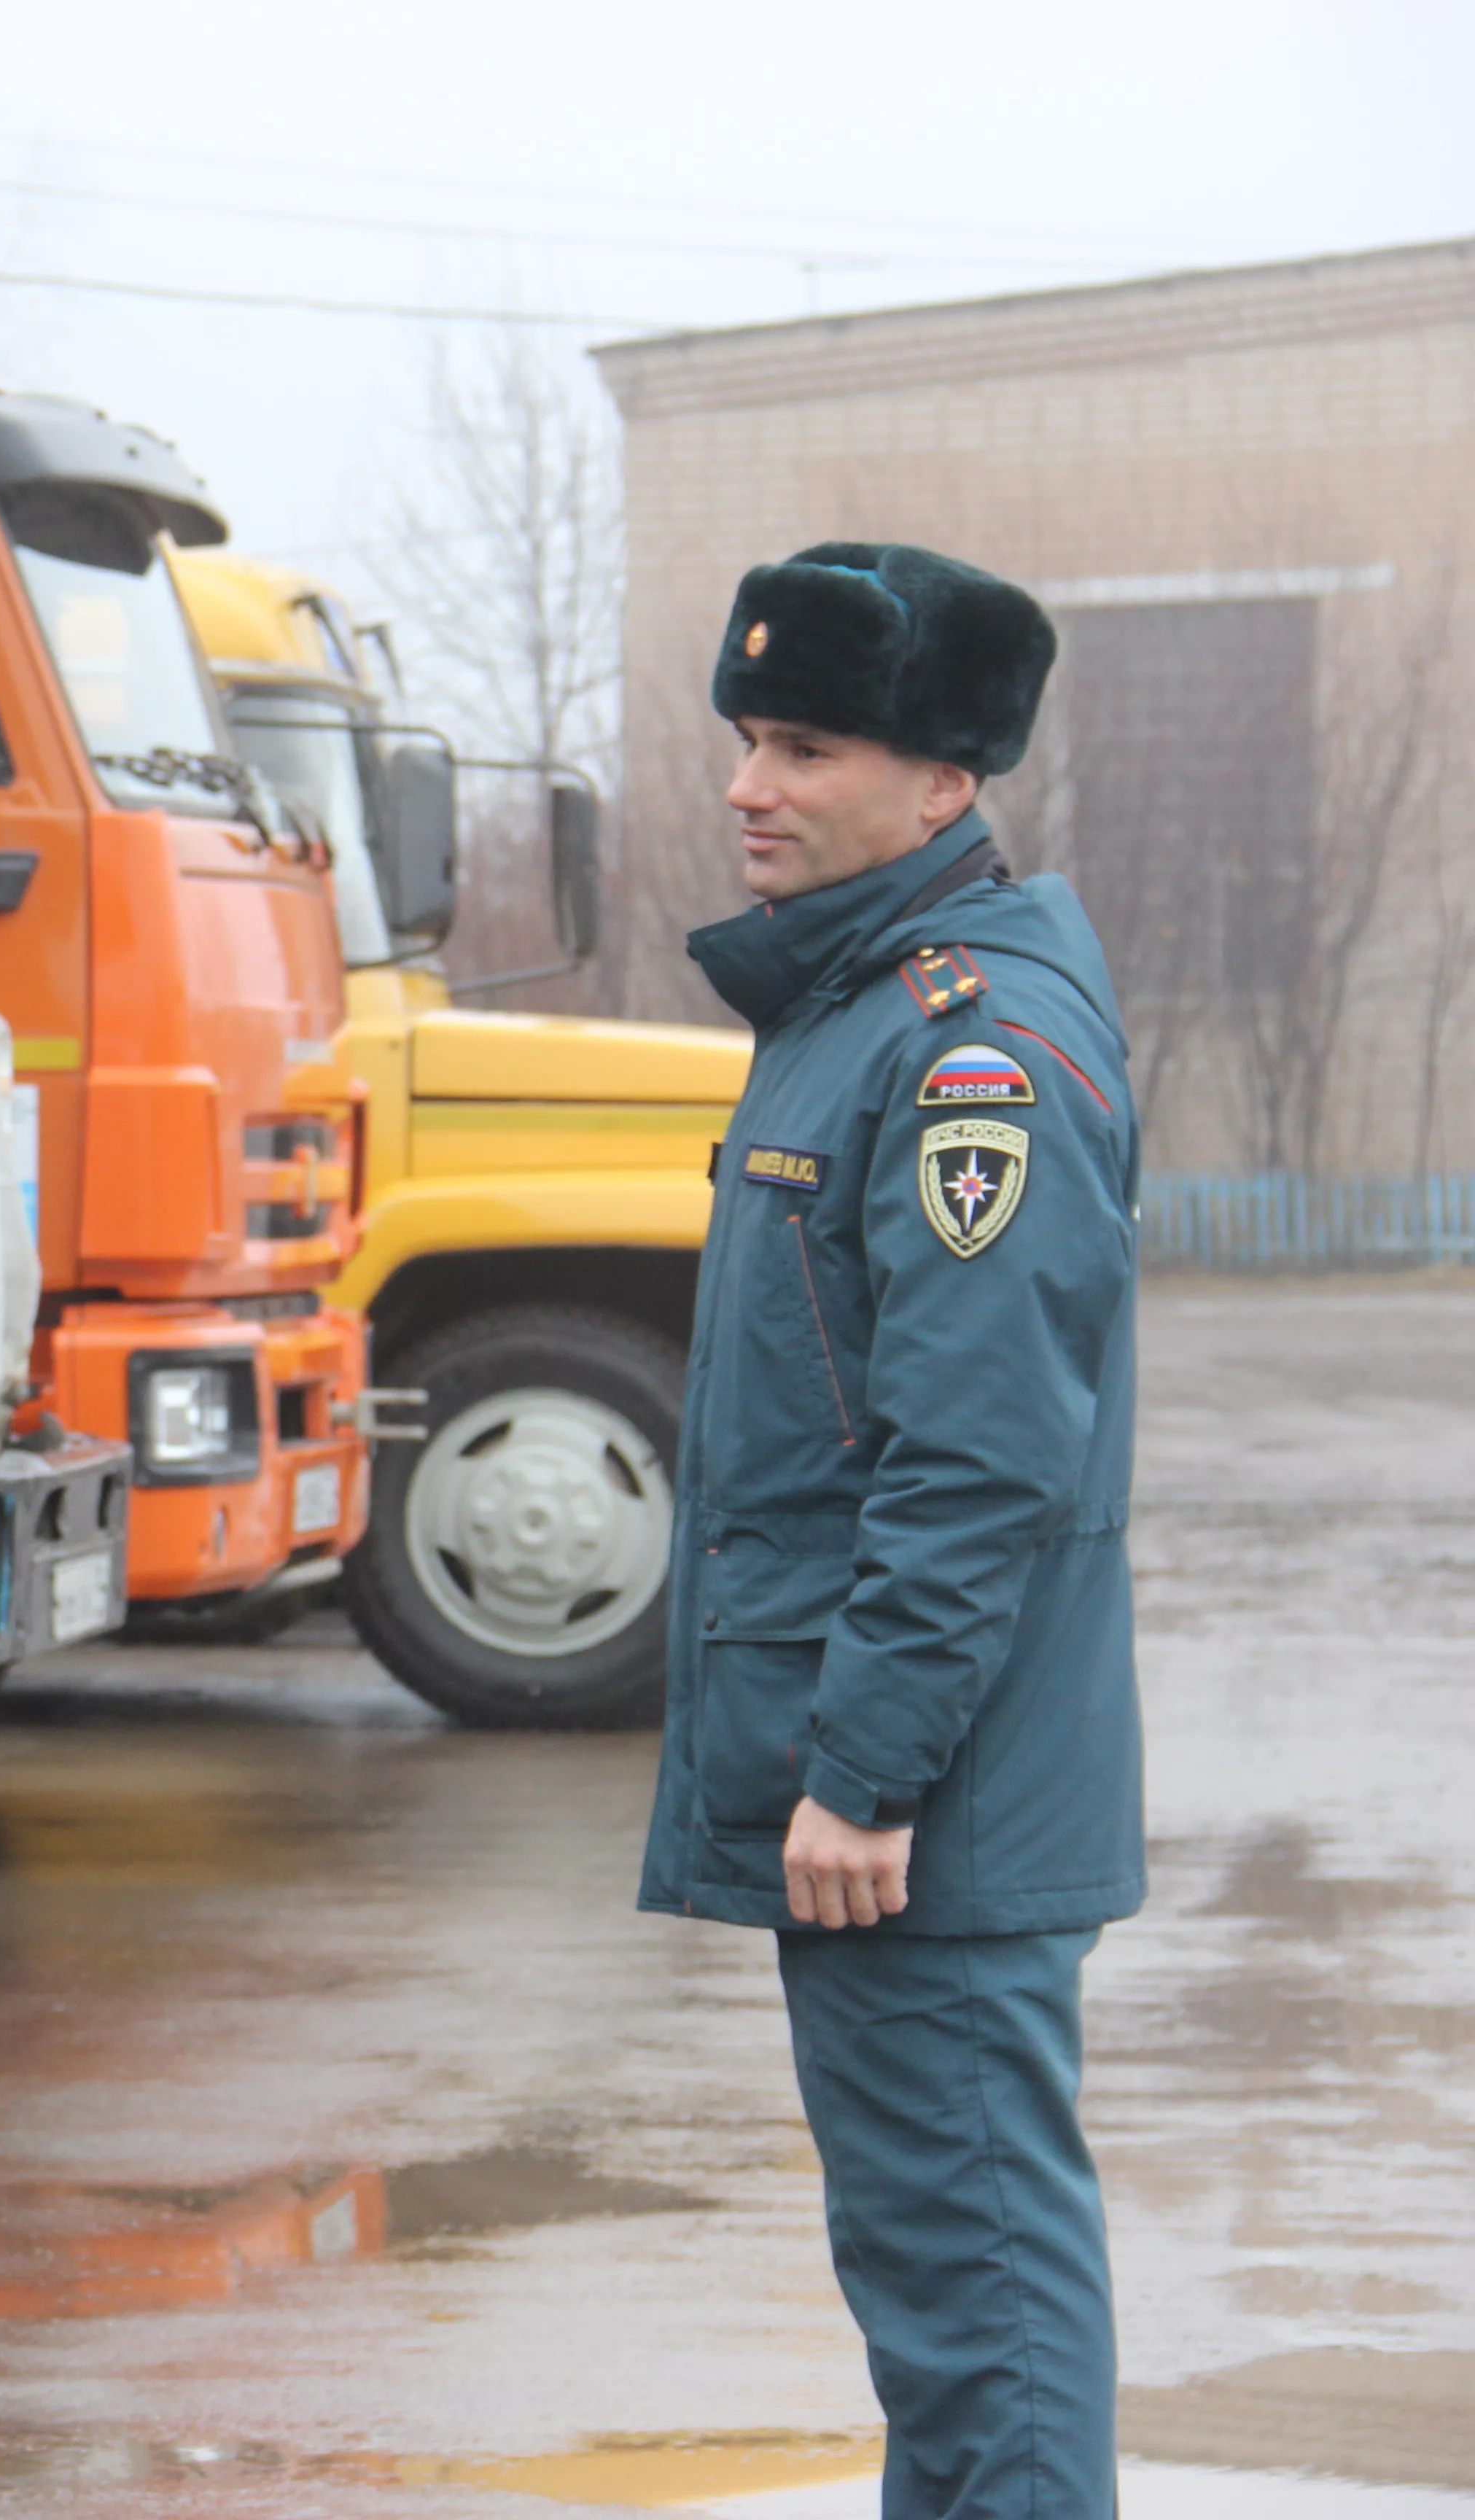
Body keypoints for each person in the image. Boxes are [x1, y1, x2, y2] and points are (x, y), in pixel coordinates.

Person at [642, 542, 1140, 2518]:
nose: (753, 784)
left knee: (982, 2308)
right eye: (749, 739)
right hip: (895, 1799)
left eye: (808, 745)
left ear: (946, 780)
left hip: (922, 1815)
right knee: (944, 2300)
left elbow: (978, 1457)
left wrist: (862, 1772)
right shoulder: (860, 1002)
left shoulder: (967, 1046)